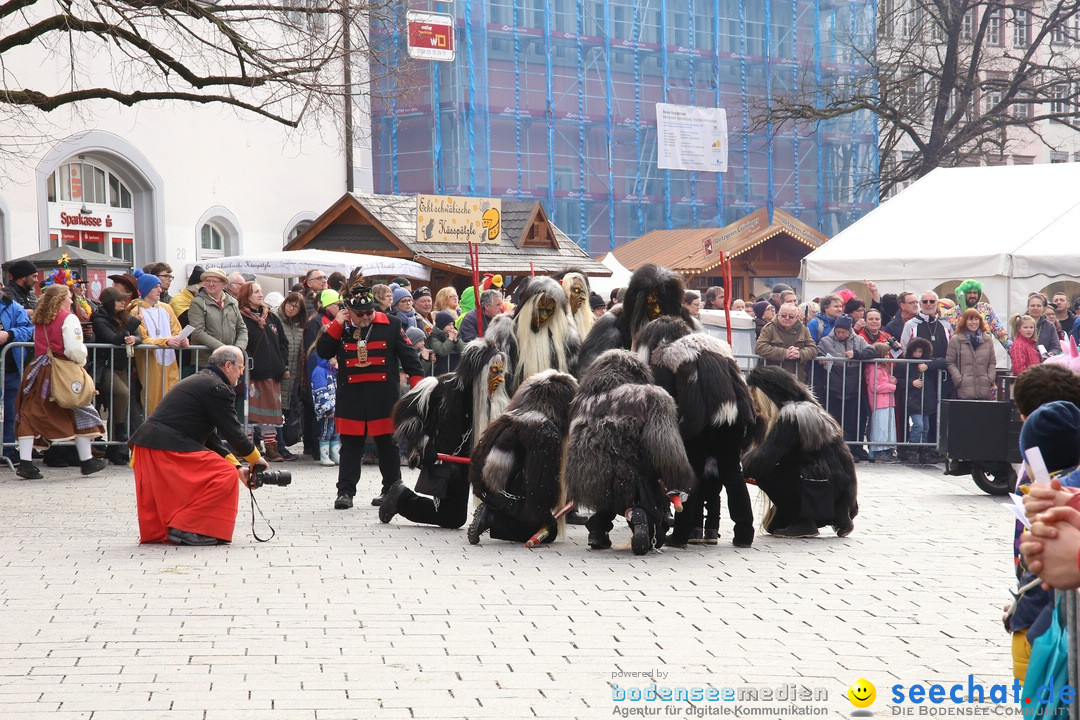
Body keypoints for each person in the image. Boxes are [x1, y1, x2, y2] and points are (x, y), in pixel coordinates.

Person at [129, 345, 270, 546]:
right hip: (164, 446)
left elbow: (210, 437)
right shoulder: (217, 387)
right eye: (241, 367)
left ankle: (181, 527)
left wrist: (238, 467)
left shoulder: (203, 380)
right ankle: (185, 527)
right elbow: (233, 432)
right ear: (228, 365)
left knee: (227, 471)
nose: (242, 373)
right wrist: (256, 459)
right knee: (223, 475)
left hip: (151, 444)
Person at [636, 317, 758, 548]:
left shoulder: (667, 356)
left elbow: (666, 397)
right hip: (734, 415)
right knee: (732, 473)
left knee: (691, 475)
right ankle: (744, 533)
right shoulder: (716, 346)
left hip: (699, 418)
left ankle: (682, 534)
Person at [565, 350, 695, 554]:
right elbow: (665, 445)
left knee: (607, 466)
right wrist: (677, 477)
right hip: (634, 475)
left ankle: (598, 529)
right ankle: (641, 514)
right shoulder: (651, 395)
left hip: (590, 475)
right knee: (657, 532)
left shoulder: (583, 400)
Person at [382, 339, 512, 532]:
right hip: (448, 464)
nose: (499, 378)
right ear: (476, 370)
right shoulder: (440, 387)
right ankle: (401, 498)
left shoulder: (497, 397)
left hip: (476, 462)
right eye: (494, 372)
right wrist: (424, 444)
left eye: (500, 372)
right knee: (453, 518)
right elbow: (404, 415)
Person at [316, 277, 423, 509]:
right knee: (351, 446)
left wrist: (419, 391)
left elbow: (411, 360)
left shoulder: (392, 324)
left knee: (388, 444)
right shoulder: (341, 328)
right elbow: (323, 351)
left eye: (368, 312)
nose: (365, 317)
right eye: (360, 314)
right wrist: (336, 324)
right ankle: (345, 492)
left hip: (383, 396)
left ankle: (392, 489)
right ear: (349, 311)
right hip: (352, 396)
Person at [743, 365, 859, 538]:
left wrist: (739, 466)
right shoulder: (809, 408)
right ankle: (838, 517)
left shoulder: (791, 416)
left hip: (822, 486)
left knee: (765, 473)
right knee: (774, 526)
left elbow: (765, 458)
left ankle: (804, 522)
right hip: (840, 489)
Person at [466, 368, 577, 545]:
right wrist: (543, 516)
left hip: (486, 486)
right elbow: (540, 489)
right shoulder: (545, 431)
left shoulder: (508, 417)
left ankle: (494, 512)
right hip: (498, 491)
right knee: (549, 530)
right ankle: (491, 516)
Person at [13, 284, 107, 479]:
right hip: (62, 370)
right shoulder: (68, 318)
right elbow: (73, 349)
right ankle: (87, 460)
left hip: (39, 370)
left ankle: (25, 462)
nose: (72, 300)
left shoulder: (40, 319)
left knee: (30, 412)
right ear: (60, 299)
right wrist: (82, 361)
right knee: (80, 407)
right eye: (69, 297)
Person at [577, 264, 698, 374]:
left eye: (660, 304)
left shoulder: (687, 327)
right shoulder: (612, 327)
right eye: (650, 304)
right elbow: (591, 375)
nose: (656, 311)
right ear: (637, 304)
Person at [485, 277, 580, 395]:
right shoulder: (503, 331)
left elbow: (575, 375)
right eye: (539, 309)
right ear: (528, 306)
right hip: (512, 407)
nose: (543, 316)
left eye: (549, 310)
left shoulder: (567, 335)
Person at [238, 282, 291, 462]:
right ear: (246, 295)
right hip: (252, 374)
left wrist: (281, 363)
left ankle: (271, 447)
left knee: (271, 415)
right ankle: (250, 449)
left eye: (261, 291)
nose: (260, 294)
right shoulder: (241, 317)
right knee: (251, 415)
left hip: (272, 373)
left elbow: (283, 342)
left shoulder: (271, 318)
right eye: (255, 292)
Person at [815, 314, 877, 460]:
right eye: (838, 331)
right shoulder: (825, 341)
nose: (840, 334)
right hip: (833, 386)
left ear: (849, 331)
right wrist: (821, 360)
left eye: (844, 332)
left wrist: (856, 354)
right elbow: (816, 352)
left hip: (853, 387)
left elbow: (872, 352)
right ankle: (834, 451)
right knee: (834, 420)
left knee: (851, 421)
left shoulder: (859, 340)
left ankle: (851, 450)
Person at [91, 286, 142, 462]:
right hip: (105, 366)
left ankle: (116, 451)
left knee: (119, 404)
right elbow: (112, 339)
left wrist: (135, 338)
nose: (123, 302)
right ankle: (119, 428)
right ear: (110, 302)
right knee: (122, 394)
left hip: (122, 365)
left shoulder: (123, 315)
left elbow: (136, 335)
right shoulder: (99, 318)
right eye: (119, 300)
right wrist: (133, 324)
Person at [133, 270, 188, 415]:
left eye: (159, 286)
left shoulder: (166, 308)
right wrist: (167, 341)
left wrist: (182, 338)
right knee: (153, 399)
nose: (160, 290)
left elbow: (176, 329)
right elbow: (143, 339)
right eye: (155, 287)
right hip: (151, 362)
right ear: (146, 289)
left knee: (173, 398)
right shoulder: (137, 311)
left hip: (170, 361)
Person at [0, 286, 33, 462]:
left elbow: (28, 330)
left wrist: (9, 334)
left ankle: (8, 449)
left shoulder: (12, 307)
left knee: (11, 412)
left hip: (10, 368)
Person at [274, 291, 306, 460]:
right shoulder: (275, 319)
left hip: (293, 375)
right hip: (279, 372)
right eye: (289, 304)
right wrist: (282, 367)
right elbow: (276, 347)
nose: (291, 308)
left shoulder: (299, 326)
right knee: (276, 410)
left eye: (296, 306)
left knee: (284, 410)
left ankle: (281, 444)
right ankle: (278, 446)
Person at [755, 302, 818, 379]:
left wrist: (800, 354)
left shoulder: (803, 329)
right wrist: (784, 353)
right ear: (778, 314)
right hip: (772, 377)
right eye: (783, 315)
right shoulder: (769, 328)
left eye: (791, 316)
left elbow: (813, 349)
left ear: (796, 317)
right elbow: (760, 347)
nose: (787, 318)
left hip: (796, 378)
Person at [900, 337, 936, 463]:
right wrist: (911, 383)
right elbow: (899, 381)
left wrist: (927, 366)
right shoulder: (905, 364)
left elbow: (942, 362)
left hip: (925, 401)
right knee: (919, 425)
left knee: (925, 427)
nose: (917, 354)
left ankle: (923, 451)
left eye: (920, 352)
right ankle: (912, 449)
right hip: (913, 401)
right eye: (915, 352)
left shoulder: (927, 363)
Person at [954, 280, 1011, 350]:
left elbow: (1001, 333)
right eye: (969, 293)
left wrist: (1014, 352)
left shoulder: (986, 309)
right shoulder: (951, 314)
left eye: (975, 292)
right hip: (962, 356)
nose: (972, 295)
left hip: (984, 355)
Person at [865, 343, 898, 462]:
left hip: (887, 401)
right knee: (881, 428)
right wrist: (891, 386)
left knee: (887, 427)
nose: (888, 356)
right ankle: (879, 451)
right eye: (886, 354)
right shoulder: (874, 369)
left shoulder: (883, 368)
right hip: (879, 403)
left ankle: (886, 450)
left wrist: (891, 381)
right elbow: (875, 387)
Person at [310, 351, 339, 466]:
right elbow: (320, 391)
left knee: (335, 432)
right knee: (326, 431)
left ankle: (335, 454)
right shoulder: (319, 371)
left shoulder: (332, 371)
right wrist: (327, 408)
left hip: (335, 407)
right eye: (334, 357)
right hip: (327, 408)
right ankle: (324, 455)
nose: (336, 360)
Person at [559, 271, 594, 338]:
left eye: (584, 292)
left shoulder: (590, 323)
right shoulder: (558, 324)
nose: (583, 297)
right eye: (577, 291)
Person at [429, 309, 465, 374]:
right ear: (441, 325)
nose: (452, 327)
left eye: (452, 324)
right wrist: (450, 339)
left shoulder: (455, 334)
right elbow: (442, 351)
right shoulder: (434, 337)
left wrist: (456, 340)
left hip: (455, 370)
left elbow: (464, 351)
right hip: (440, 372)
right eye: (448, 325)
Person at [1027, 293, 1061, 357]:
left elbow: (1056, 347)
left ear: (1043, 308)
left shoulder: (1049, 326)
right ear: (1028, 307)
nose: (1035, 308)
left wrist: (1052, 353)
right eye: (1032, 305)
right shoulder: (1020, 323)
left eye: (1038, 306)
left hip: (1043, 364)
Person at [1010, 314, 1043, 378]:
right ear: (1019, 329)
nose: (1029, 330)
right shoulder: (1018, 345)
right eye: (1025, 327)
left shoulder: (1030, 344)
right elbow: (1019, 369)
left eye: (1031, 327)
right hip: (1026, 382)